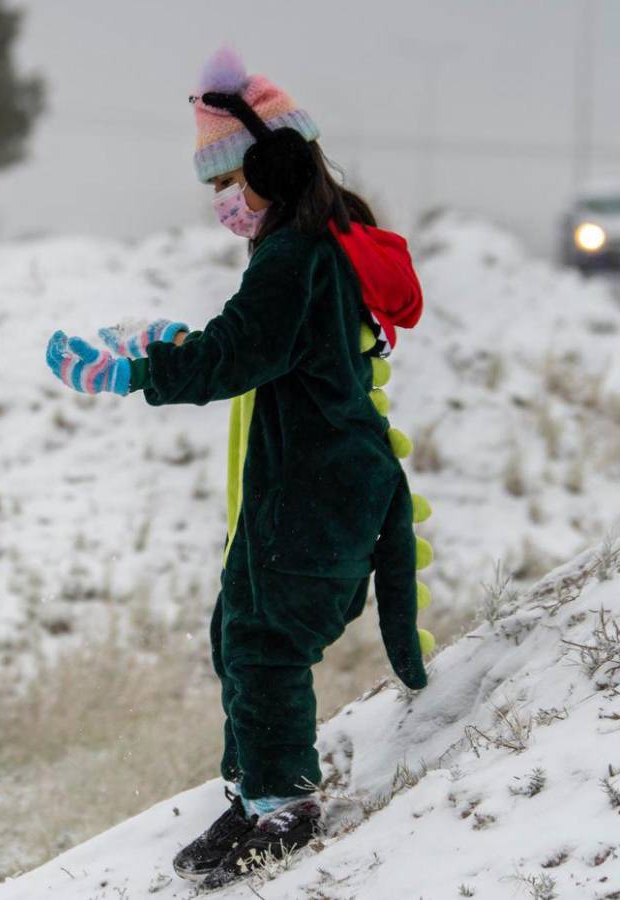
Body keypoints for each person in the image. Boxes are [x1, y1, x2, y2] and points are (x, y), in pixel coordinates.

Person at [45, 48, 434, 890]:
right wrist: (167, 344)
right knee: (239, 630)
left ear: (273, 168)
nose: (223, 204)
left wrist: (141, 369)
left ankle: (285, 807)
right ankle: (254, 791)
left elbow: (237, 354)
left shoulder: (295, 257)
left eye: (230, 185)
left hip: (318, 489)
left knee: (263, 644)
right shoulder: (304, 247)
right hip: (311, 483)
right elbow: (251, 345)